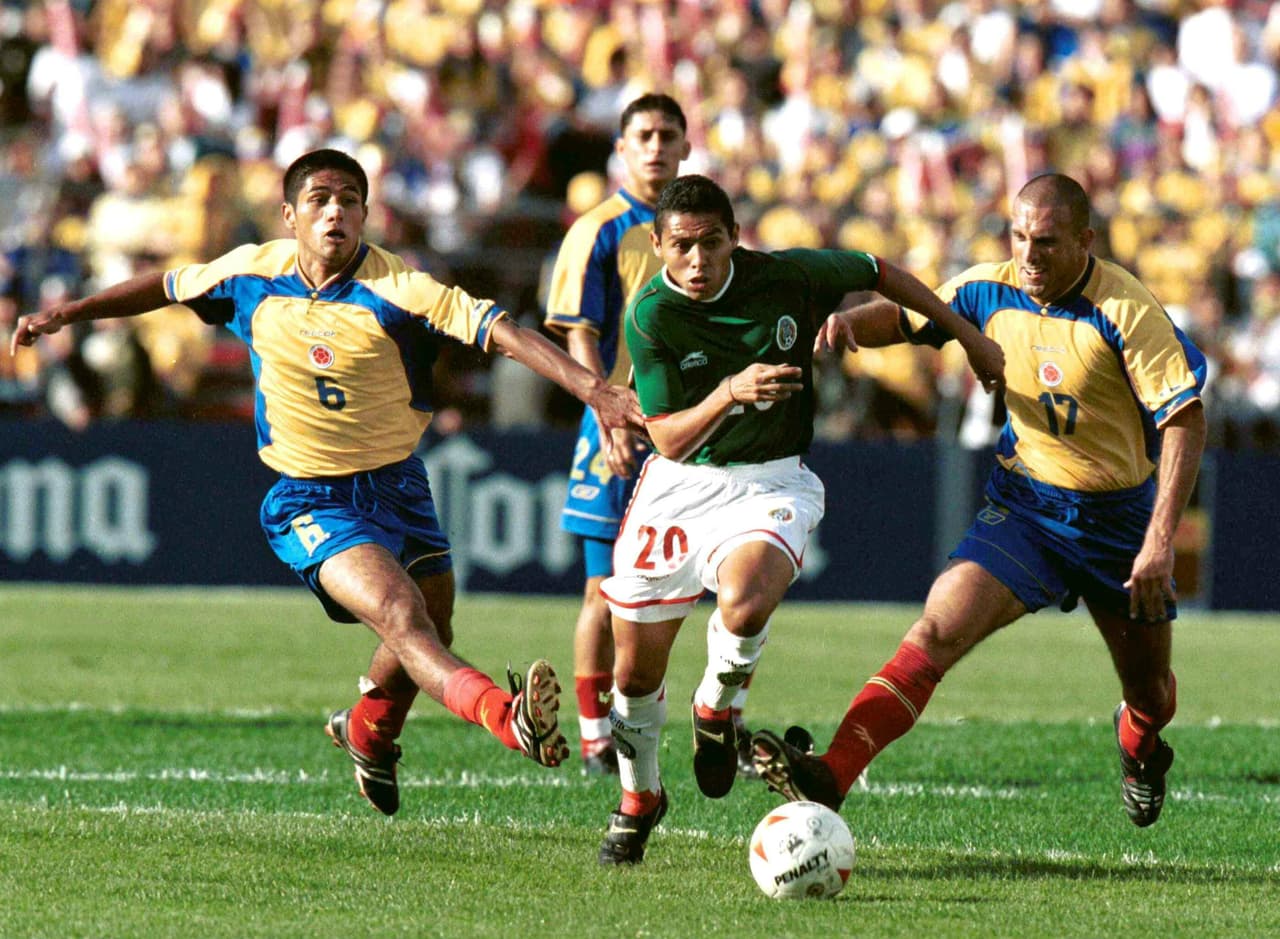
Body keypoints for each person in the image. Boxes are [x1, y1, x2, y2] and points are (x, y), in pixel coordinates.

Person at [10, 147, 642, 817]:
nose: (335, 211)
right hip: (309, 496)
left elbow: (504, 333)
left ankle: (367, 731)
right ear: (290, 215)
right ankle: (505, 716)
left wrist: (595, 390)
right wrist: (69, 313)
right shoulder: (251, 273)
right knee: (402, 614)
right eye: (319, 200)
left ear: (366, 213)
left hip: (399, 484)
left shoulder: (402, 289)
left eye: (349, 200)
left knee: (433, 626)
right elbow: (167, 285)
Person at [750, 173, 1208, 830]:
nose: (1029, 255)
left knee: (1152, 694)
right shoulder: (986, 287)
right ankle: (831, 773)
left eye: (1046, 242)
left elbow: (1185, 418)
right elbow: (909, 319)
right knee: (935, 631)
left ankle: (1139, 744)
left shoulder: (1126, 309)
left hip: (1118, 524)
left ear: (1086, 240)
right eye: (1019, 237)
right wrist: (850, 322)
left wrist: (1160, 541)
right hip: (1027, 508)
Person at [595, 174, 1005, 865]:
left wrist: (966, 337)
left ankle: (714, 708)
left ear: (735, 237)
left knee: (747, 601)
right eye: (682, 246)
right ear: (659, 246)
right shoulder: (651, 315)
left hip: (772, 478)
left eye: (711, 243)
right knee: (634, 676)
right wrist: (731, 391)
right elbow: (667, 439)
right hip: (679, 486)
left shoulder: (788, 275)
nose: (697, 261)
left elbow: (880, 271)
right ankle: (640, 798)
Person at [545, 93, 744, 777]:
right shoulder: (599, 229)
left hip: (694, 425)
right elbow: (578, 330)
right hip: (620, 424)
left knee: (723, 581)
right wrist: (604, 412)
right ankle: (595, 736)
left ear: (686, 145)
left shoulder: (706, 226)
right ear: (621, 149)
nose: (656, 146)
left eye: (667, 135)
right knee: (603, 589)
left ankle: (725, 716)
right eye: (643, 135)